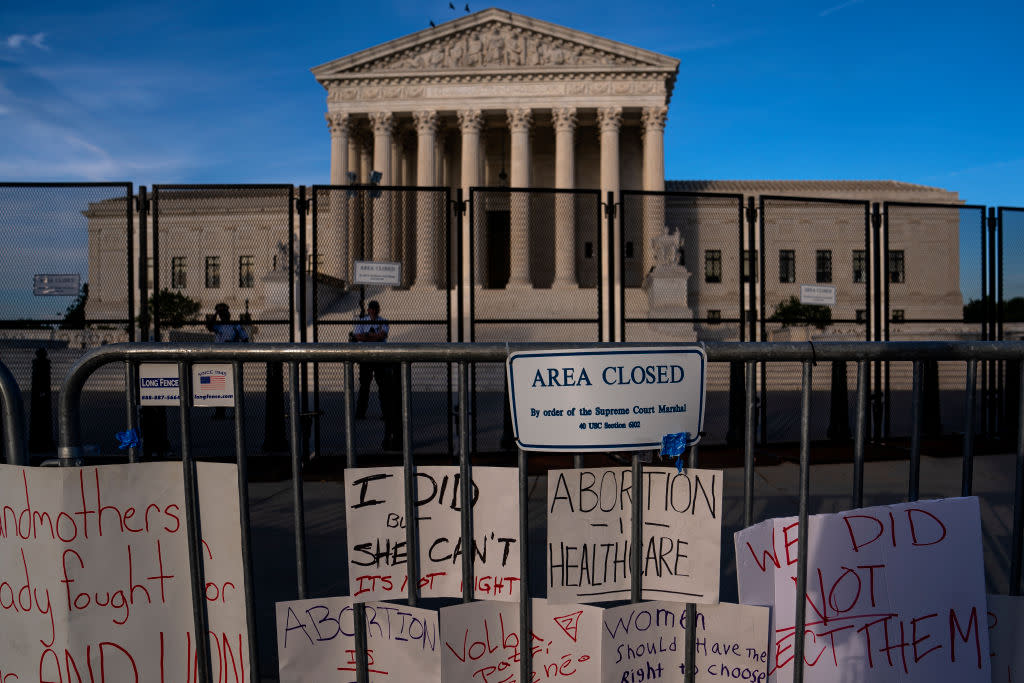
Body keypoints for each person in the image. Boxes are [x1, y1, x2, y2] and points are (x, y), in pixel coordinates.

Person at [352, 301, 401, 450]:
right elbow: (358, 337)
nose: (373, 311)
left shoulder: (383, 321)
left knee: (383, 386)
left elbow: (381, 335)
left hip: (379, 355)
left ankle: (384, 413)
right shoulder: (362, 321)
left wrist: (368, 336)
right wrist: (373, 337)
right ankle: (361, 412)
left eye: (375, 309)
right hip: (366, 356)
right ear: (368, 310)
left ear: (378, 310)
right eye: (371, 309)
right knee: (365, 385)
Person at [206, 303, 248, 418]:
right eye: (221, 314)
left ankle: (236, 412)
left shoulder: (235, 326)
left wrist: (234, 345)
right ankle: (220, 412)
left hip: (232, 359)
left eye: (224, 313)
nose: (223, 316)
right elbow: (209, 326)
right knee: (219, 387)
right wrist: (216, 313)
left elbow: (245, 339)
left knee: (234, 386)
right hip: (219, 359)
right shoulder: (218, 326)